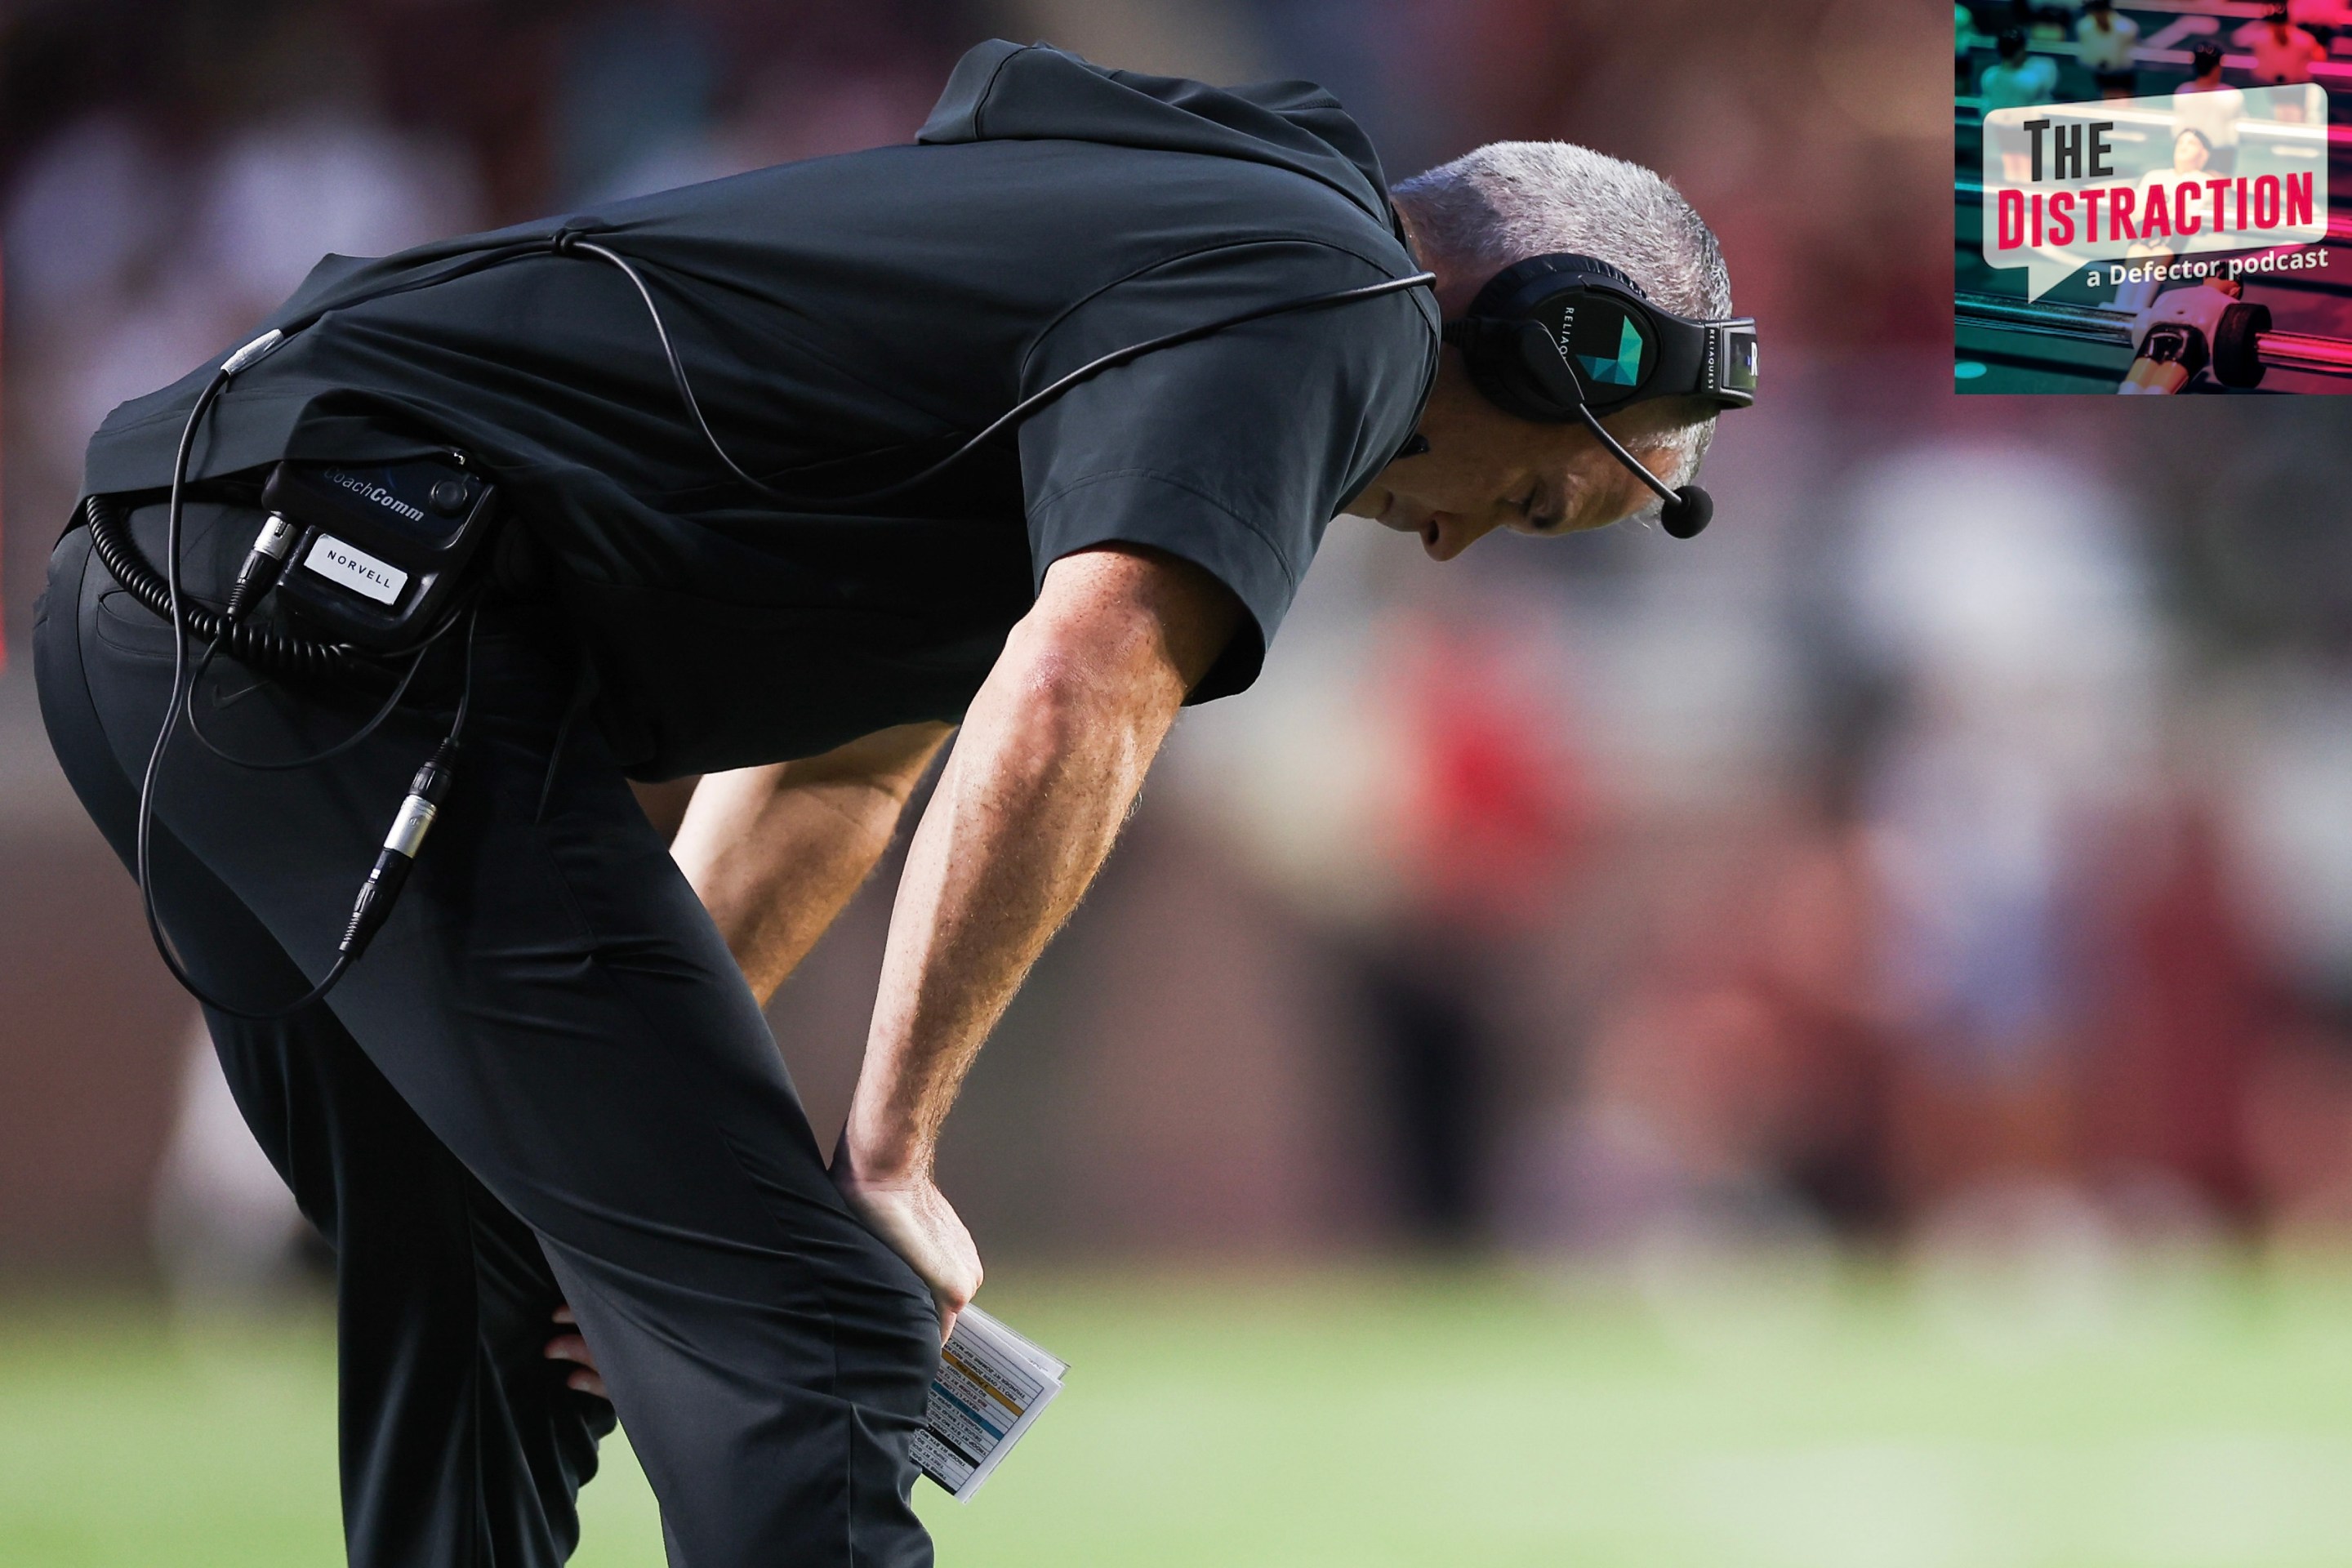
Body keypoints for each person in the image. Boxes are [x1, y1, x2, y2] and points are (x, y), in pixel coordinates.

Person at [35, 39, 1737, 1568]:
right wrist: (890, 1158)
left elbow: (842, 765)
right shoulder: (1339, 299)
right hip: (338, 603)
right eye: (1526, 496)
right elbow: (1085, 684)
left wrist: (646, 1157)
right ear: (1537, 336)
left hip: (202, 594)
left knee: (501, 1289)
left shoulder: (1172, 245)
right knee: (824, 1337)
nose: (1454, 539)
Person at [2175, 43, 2246, 174]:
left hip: (2192, 152)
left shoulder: (2183, 91)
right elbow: (2237, 132)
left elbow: (2177, 129)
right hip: (2220, 154)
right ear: (2218, 67)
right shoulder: (2232, 95)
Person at [2236, 4, 2329, 85]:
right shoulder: (2260, 39)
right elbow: (2237, 39)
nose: (2277, 27)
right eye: (2273, 23)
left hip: (2296, 87)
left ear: (2287, 23)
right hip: (2267, 86)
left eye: (2280, 23)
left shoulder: (2303, 40)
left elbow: (2320, 56)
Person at [2078, 0, 2142, 99]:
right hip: (2101, 74)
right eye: (2094, 11)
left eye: (2100, 10)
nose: (2097, 15)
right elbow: (2086, 54)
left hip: (2124, 75)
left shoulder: (2127, 27)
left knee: (2125, 103)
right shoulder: (2084, 27)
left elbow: (2131, 55)